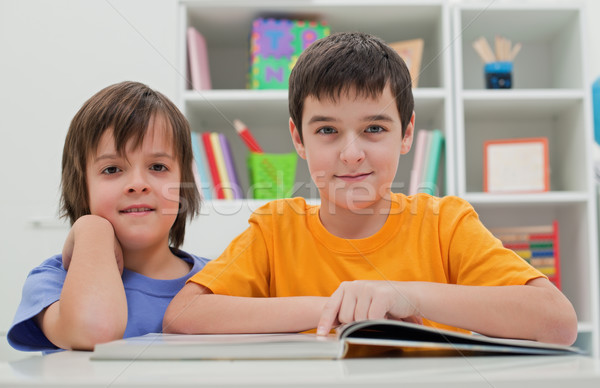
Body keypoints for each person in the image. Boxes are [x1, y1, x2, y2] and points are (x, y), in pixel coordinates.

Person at [163, 32, 577, 345]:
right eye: (327, 129)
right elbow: (183, 316)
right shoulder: (276, 229)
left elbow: (557, 322)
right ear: (298, 139)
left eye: (374, 128)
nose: (351, 153)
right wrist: (337, 308)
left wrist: (406, 296)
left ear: (406, 133)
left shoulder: (444, 224)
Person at [8, 81, 209, 352]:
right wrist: (92, 229)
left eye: (158, 166)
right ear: (82, 189)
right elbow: (94, 332)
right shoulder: (52, 282)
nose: (138, 184)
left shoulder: (218, 279)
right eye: (112, 169)